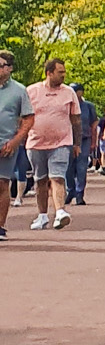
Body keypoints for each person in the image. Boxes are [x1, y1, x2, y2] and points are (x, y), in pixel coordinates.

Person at [23, 58, 82, 230]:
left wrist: (77, 144)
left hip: (61, 142)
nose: (64, 75)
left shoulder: (69, 92)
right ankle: (42, 216)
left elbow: (76, 120)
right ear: (49, 73)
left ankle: (60, 212)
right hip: (36, 142)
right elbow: (23, 117)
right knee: (40, 180)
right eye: (60, 72)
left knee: (57, 177)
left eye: (64, 72)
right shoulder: (31, 91)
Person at [0, 52, 32, 239]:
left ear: (9, 68)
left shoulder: (20, 91)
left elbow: (29, 118)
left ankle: (1, 225)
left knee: (3, 183)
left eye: (1, 65)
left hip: (6, 144)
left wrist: (16, 141)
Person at [65, 86, 97, 207]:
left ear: (81, 92)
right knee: (68, 167)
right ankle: (70, 190)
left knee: (81, 167)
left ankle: (79, 194)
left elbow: (94, 124)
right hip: (68, 140)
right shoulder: (66, 105)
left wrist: (94, 141)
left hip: (84, 139)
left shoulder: (88, 106)